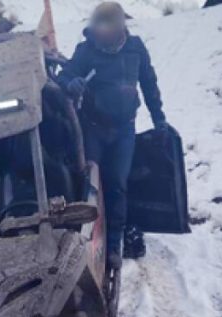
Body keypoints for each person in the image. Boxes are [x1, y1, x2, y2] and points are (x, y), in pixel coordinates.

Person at [58, 1, 168, 268]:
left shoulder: (135, 48)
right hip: (93, 128)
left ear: (120, 26)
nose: (105, 33)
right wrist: (71, 83)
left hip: (124, 130)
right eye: (100, 28)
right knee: (90, 184)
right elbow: (64, 76)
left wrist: (159, 119)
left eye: (110, 27)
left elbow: (149, 83)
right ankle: (87, 245)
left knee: (117, 182)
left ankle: (113, 245)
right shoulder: (86, 50)